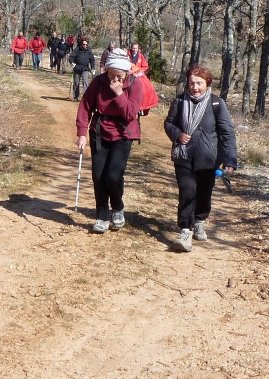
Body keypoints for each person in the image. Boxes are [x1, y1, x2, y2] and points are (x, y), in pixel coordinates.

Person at [163, 65, 238, 252]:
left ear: (207, 83)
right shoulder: (179, 101)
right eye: (192, 83)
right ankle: (185, 230)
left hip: (208, 159)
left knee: (204, 194)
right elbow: (169, 123)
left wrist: (230, 161)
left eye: (199, 83)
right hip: (184, 156)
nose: (195, 87)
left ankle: (199, 220)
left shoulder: (216, 104)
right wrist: (178, 134)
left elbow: (227, 133)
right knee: (187, 192)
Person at [76, 49, 146, 233]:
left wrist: (119, 94)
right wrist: (82, 133)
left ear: (127, 73)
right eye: (111, 74)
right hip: (100, 131)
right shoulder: (99, 82)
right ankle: (102, 216)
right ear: (106, 70)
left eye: (119, 75)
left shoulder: (136, 85)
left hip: (124, 133)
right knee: (98, 176)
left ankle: (117, 208)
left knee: (113, 176)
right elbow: (85, 106)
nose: (114, 79)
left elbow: (130, 114)